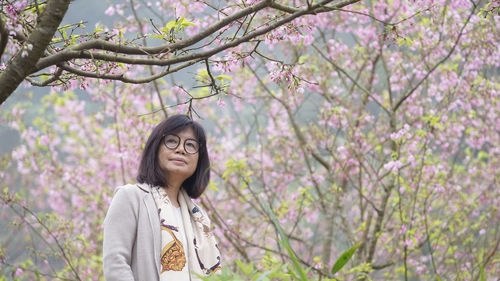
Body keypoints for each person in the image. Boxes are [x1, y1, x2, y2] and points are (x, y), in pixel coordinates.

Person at [103, 114, 221, 281]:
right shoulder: (131, 198)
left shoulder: (199, 218)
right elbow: (115, 264)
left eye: (190, 145)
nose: (181, 149)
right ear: (155, 148)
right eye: (172, 141)